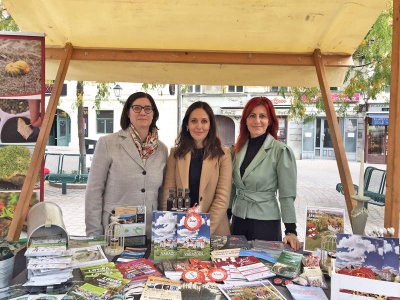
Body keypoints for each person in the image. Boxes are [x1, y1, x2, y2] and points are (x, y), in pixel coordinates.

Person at [85, 92, 168, 237]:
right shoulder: (107, 143)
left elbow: (161, 193)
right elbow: (94, 191)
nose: (143, 112)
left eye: (148, 108)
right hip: (116, 230)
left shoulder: (162, 149)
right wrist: (94, 234)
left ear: (154, 114)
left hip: (150, 232)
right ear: (128, 113)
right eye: (137, 108)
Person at [230, 97, 301, 250]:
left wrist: (291, 230)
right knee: (235, 266)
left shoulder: (281, 151)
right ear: (245, 120)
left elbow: (286, 194)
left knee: (264, 269)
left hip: (265, 222)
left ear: (270, 121)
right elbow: (232, 189)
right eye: (252, 115)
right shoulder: (236, 150)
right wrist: (226, 216)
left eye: (262, 116)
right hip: (238, 220)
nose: (257, 121)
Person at [162, 101, 232, 235]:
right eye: (194, 121)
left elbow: (222, 198)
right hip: (181, 230)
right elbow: (168, 194)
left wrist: (203, 230)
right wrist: (172, 226)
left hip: (214, 231)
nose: (199, 126)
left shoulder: (223, 154)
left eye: (204, 121)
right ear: (187, 125)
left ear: (210, 125)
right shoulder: (175, 154)